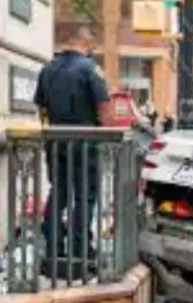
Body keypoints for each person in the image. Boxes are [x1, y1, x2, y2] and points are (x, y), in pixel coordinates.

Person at [33, 25, 111, 264]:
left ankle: (53, 248)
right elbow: (104, 110)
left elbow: (41, 108)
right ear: (85, 44)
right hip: (85, 140)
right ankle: (80, 250)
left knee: (59, 194)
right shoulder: (90, 69)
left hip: (55, 140)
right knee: (85, 196)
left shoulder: (46, 69)